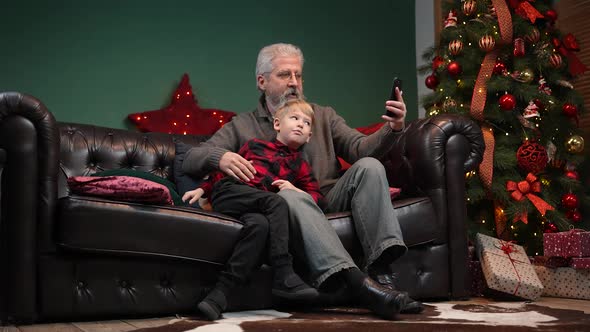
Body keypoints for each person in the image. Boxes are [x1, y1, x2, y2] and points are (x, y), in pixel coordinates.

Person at [182, 43, 423, 320]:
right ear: (262, 81)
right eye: (285, 75)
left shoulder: (322, 116)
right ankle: (359, 284)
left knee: (370, 166)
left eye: (299, 75)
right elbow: (191, 157)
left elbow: (360, 149)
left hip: (327, 197)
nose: (294, 82)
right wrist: (220, 157)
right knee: (287, 194)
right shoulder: (242, 126)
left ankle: (382, 275)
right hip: (291, 206)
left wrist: (392, 128)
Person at [183, 99, 320, 320]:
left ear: (309, 136)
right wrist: (203, 190)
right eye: (294, 118)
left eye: (306, 123)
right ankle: (284, 272)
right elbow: (224, 173)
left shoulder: (302, 166)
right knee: (276, 202)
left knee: (260, 225)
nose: (300, 125)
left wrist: (296, 190)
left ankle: (219, 294)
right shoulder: (255, 145)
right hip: (230, 192)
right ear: (277, 124)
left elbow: (316, 197)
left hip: (256, 206)